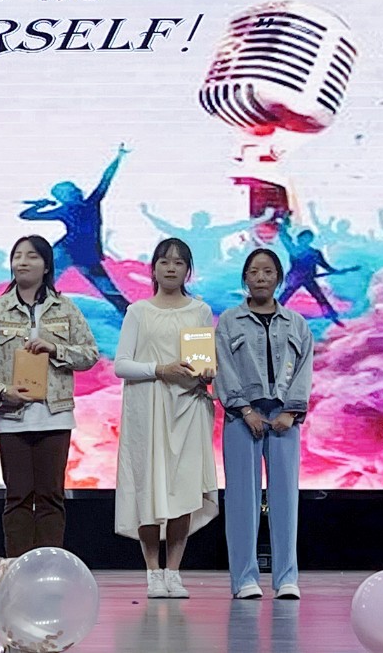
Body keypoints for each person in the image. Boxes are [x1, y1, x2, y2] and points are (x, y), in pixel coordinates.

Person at [0, 235, 100, 558]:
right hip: (11, 417)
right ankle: (17, 568)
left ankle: (48, 568)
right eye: (17, 256)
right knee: (17, 496)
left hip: (54, 416)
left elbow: (90, 353)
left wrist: (55, 348)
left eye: (32, 256)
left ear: (46, 266)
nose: (23, 262)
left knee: (51, 497)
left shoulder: (65, 307)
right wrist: (2, 391)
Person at [113, 238, 219, 599]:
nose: (171, 268)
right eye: (164, 261)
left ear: (188, 270)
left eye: (178, 262)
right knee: (149, 488)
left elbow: (203, 360)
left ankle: (174, 572)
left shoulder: (200, 310)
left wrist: (207, 372)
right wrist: (161, 369)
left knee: (183, 489)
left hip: (187, 407)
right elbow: (121, 365)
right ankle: (152, 572)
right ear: (154, 268)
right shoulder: (138, 311)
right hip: (148, 409)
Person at [214, 248, 314, 601]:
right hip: (242, 418)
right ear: (245, 278)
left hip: (285, 418)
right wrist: (244, 410)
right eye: (254, 271)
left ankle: (287, 577)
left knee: (285, 499)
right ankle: (245, 579)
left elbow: (304, 369)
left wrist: (292, 412)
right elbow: (223, 367)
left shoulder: (296, 323)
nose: (261, 277)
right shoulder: (230, 321)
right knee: (242, 500)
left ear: (279, 278)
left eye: (268, 271)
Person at [18, 145, 130, 312]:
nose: (75, 192)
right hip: (65, 252)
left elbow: (106, 179)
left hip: (86, 254)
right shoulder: (67, 209)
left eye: (73, 190)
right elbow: (27, 215)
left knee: (110, 291)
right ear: (63, 198)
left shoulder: (91, 203)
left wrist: (119, 157)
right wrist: (40, 205)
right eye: (68, 193)